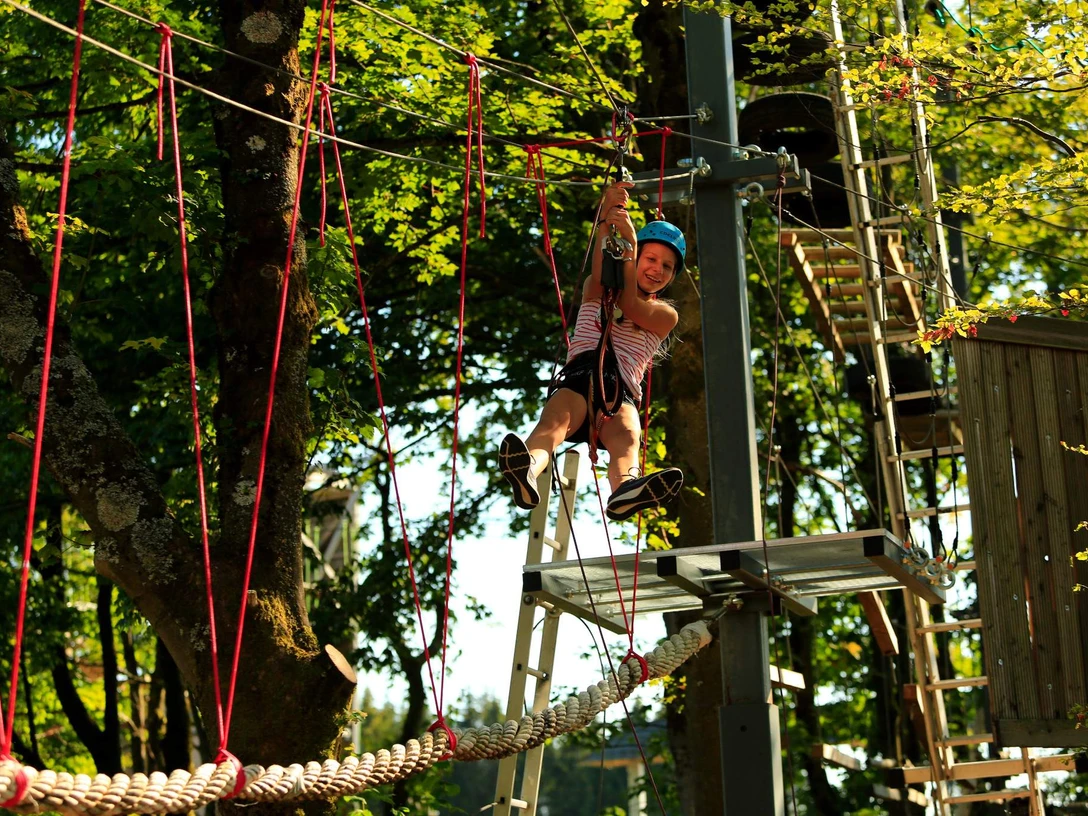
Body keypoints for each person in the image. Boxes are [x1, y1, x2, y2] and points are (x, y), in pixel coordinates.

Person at [500, 180, 685, 521]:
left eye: (667, 266)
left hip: (620, 394)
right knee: (552, 426)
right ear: (636, 257)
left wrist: (629, 243)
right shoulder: (595, 288)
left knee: (628, 436)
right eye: (651, 258)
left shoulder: (664, 315)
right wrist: (608, 220)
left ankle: (626, 488)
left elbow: (630, 303)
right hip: (579, 379)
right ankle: (529, 468)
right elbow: (604, 269)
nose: (657, 269)